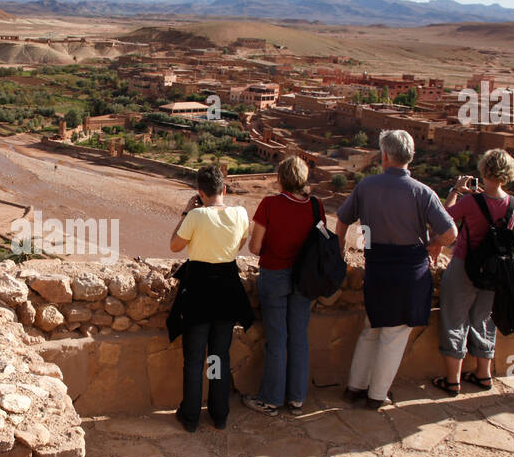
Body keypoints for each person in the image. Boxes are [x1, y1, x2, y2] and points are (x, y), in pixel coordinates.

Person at [334, 130, 456, 409]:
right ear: (409, 156)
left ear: (385, 155)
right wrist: (433, 244)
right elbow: (451, 232)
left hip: (377, 269)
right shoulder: (422, 192)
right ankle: (377, 396)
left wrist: (339, 251)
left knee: (372, 328)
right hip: (409, 272)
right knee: (394, 335)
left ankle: (354, 388)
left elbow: (342, 220)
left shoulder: (366, 187)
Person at [167, 166, 252, 431]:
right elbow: (240, 245)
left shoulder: (197, 215)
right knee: (218, 356)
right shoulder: (240, 214)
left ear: (200, 193)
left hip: (199, 291)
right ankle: (219, 414)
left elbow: (174, 245)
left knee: (194, 359)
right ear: (224, 189)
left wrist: (186, 212)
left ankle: (191, 417)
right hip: (227, 290)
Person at [433, 149, 514, 396]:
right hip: (495, 270)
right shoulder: (513, 204)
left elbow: (444, 220)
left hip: (465, 265)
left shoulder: (471, 202)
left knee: (454, 318)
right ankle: (483, 374)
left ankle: (452, 380)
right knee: (483, 318)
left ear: (484, 169)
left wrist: (455, 192)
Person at [242, 155, 323, 416]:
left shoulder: (269, 205)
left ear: (280, 179)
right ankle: (297, 400)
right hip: (305, 279)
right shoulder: (315, 206)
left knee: (277, 339)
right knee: (299, 337)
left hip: (275, 275)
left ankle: (271, 400)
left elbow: (254, 247)